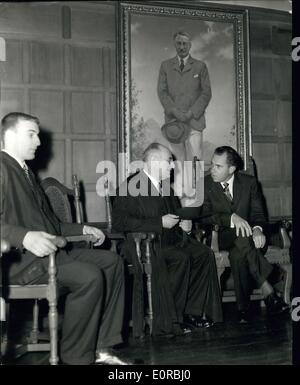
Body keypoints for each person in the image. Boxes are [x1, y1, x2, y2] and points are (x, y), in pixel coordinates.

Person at [0, 112, 133, 365]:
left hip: (46, 255)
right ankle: (76, 357)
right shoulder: (2, 168)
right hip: (17, 262)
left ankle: (103, 348)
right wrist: (24, 236)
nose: (38, 141)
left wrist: (83, 229)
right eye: (31, 134)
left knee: (112, 263)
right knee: (88, 276)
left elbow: (52, 226)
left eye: (37, 135)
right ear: (9, 135)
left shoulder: (26, 172)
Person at [112, 143, 223, 336]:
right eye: (169, 161)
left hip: (169, 239)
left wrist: (183, 223)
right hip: (145, 245)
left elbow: (174, 214)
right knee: (180, 257)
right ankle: (173, 319)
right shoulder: (131, 185)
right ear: (154, 161)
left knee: (203, 253)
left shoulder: (165, 187)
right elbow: (120, 222)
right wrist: (158, 223)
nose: (172, 167)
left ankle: (192, 312)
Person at [200, 146, 289, 322]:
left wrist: (257, 229)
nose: (212, 169)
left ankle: (243, 310)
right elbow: (204, 215)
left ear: (231, 169)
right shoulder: (205, 184)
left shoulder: (249, 183)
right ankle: (268, 288)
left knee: (238, 253)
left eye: (218, 166)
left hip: (245, 238)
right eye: (212, 164)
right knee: (241, 238)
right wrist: (231, 218)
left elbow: (257, 214)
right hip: (221, 236)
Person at [157, 31, 212, 163]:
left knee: (195, 163)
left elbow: (206, 93)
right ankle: (180, 185)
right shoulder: (166, 66)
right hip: (173, 123)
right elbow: (162, 92)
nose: (182, 47)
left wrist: (190, 113)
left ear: (190, 45)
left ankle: (195, 185)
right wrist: (174, 111)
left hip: (194, 122)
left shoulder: (200, 66)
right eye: (179, 43)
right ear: (174, 45)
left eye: (185, 44)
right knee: (177, 163)